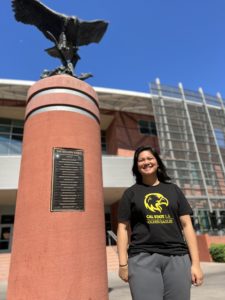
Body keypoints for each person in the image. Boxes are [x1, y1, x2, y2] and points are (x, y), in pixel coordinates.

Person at [117, 145, 203, 300]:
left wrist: (195, 264)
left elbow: (187, 225)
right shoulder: (130, 193)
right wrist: (123, 265)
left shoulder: (173, 190)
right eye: (141, 160)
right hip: (142, 258)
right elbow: (122, 228)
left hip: (177, 257)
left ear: (157, 162)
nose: (146, 162)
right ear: (137, 165)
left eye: (150, 158)